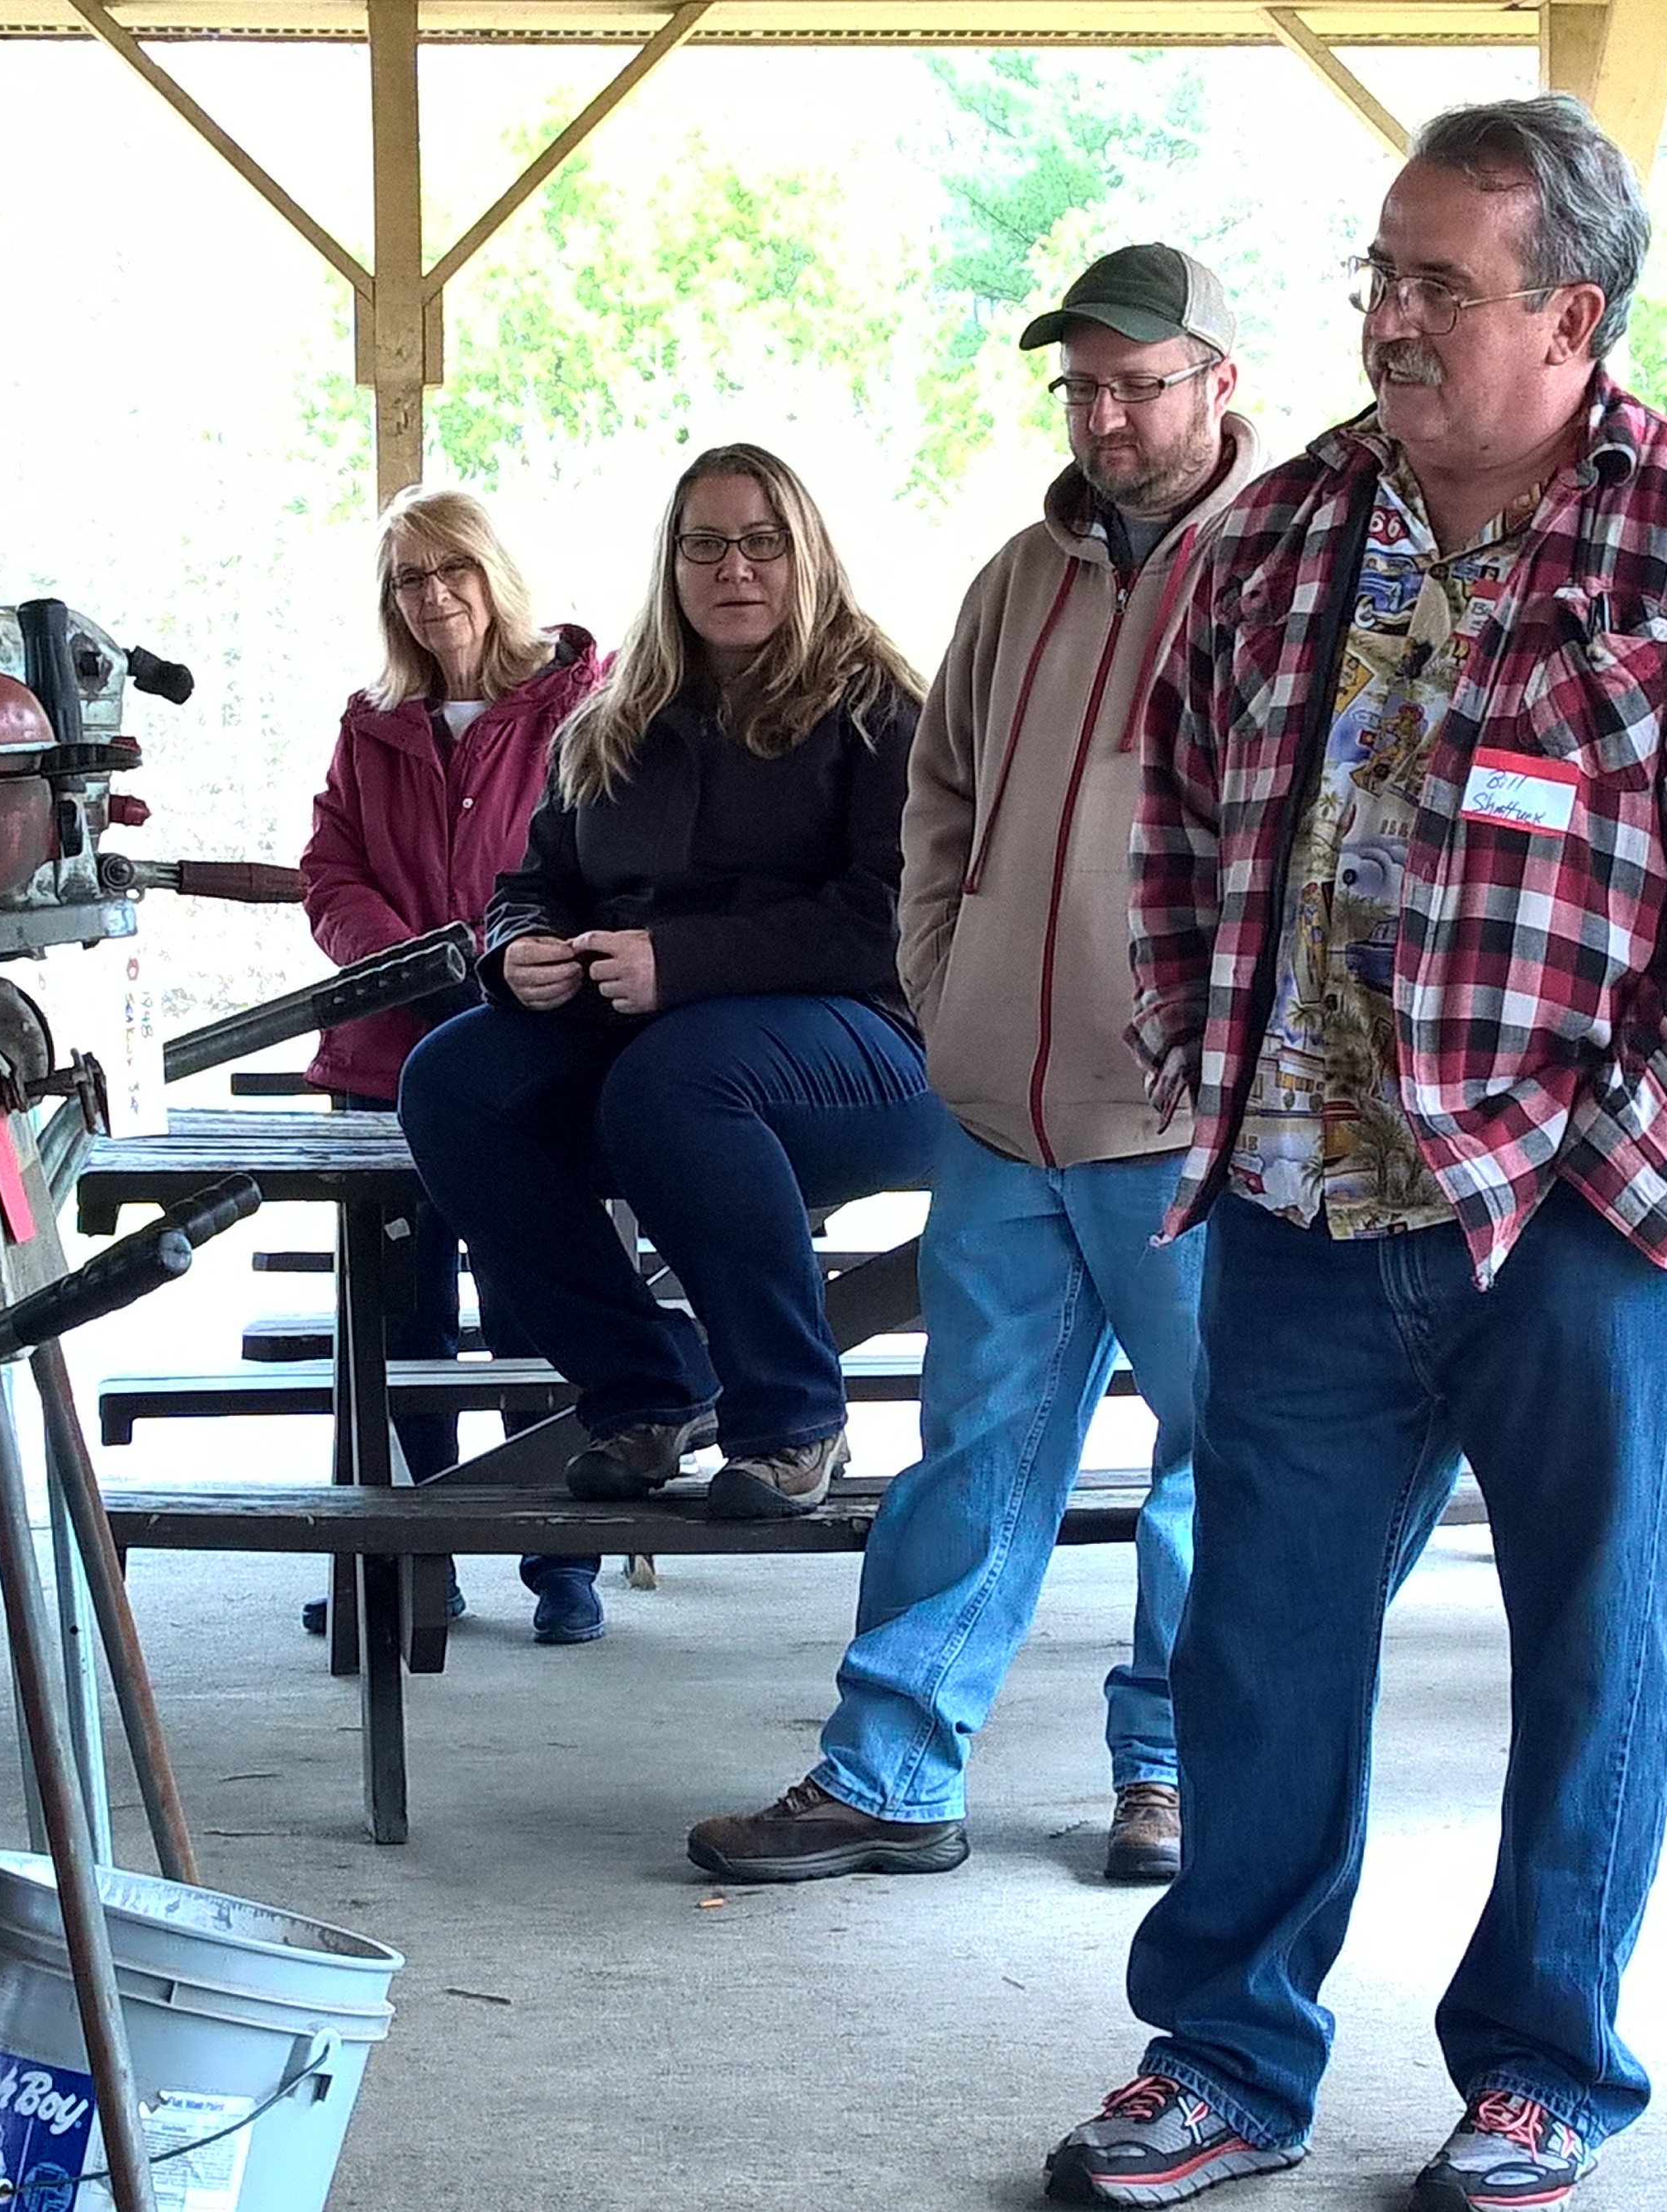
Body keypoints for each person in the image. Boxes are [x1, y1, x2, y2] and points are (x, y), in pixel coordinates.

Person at [1044, 97, 1667, 2212]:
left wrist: (1632, 1196)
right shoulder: (1284, 531)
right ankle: (1226, 2056)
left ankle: (1542, 2071)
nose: (1388, 320)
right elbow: (1173, 821)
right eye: (1377, 277)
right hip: (1303, 1199)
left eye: (1438, 286)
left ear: (1571, 318)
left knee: (1591, 1654)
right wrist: (1204, 1064)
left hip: (1571, 1216)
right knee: (1257, 1650)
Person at [685, 245, 1262, 1891]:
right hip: (1001, 1108)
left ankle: (1180, 1771)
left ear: (1220, 383)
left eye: (1138, 385)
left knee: (1224, 1458)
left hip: (1187, 1123)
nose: (1106, 417)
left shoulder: (1286, 567)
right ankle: (889, 1771)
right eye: (1081, 388)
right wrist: (948, 992)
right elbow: (937, 803)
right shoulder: (1018, 578)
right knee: (969, 1451)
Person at [398, 444, 946, 1537]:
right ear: (672, 563)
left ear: (806, 556)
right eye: (705, 545)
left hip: (875, 1050)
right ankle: (646, 1388)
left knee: (678, 1075)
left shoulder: (880, 709)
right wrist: (520, 951)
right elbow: (533, 883)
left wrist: (681, 963)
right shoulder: (613, 715)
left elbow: (885, 917)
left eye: (761, 543)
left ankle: (794, 1418)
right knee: (451, 1080)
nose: (733, 568)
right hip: (649, 1044)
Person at [303, 485, 611, 1642]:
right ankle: (412, 1552)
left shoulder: (584, 704)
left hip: (532, 1053)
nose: (433, 596)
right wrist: (407, 966)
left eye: (452, 570)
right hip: (383, 1057)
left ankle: (562, 1555)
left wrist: (507, 965)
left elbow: (608, 856)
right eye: (408, 579)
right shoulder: (371, 724)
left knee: (538, 1304)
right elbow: (329, 870)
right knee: (397, 1323)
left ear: (493, 572)